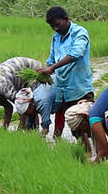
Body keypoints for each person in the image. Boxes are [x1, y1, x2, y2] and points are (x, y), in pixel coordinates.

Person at [37, 7, 94, 138]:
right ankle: (86, 156)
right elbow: (51, 60)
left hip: (80, 89)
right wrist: (45, 71)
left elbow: (76, 54)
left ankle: (99, 155)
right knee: (76, 131)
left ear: (66, 19)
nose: (56, 29)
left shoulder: (79, 32)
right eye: (52, 26)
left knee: (89, 126)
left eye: (57, 24)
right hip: (64, 91)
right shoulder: (56, 38)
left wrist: (52, 68)